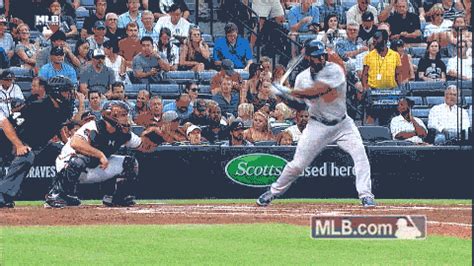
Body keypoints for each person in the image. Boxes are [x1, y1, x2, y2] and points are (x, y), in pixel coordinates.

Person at [256, 40, 375, 208]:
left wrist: (286, 91)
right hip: (317, 125)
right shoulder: (302, 78)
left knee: (361, 156)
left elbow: (318, 92)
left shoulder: (335, 71)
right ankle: (273, 192)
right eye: (316, 57)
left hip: (343, 124)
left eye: (322, 56)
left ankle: (366, 195)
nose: (320, 60)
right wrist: (283, 96)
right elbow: (300, 105)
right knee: (297, 165)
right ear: (309, 59)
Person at [44, 100, 161, 208]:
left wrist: (157, 138)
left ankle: (117, 197)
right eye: (123, 115)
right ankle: (57, 194)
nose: (127, 118)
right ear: (112, 116)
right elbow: (75, 143)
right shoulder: (93, 126)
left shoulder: (124, 133)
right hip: (69, 164)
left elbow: (143, 146)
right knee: (78, 160)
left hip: (96, 167)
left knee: (130, 163)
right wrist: (100, 154)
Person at [0, 76, 75, 208]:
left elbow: (59, 126)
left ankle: (59, 193)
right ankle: (3, 195)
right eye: (66, 91)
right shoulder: (37, 106)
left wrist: (67, 144)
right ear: (57, 92)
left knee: (67, 154)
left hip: (40, 145)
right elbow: (8, 123)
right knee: (26, 156)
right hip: (12, 142)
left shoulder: (64, 108)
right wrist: (18, 145)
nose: (69, 94)